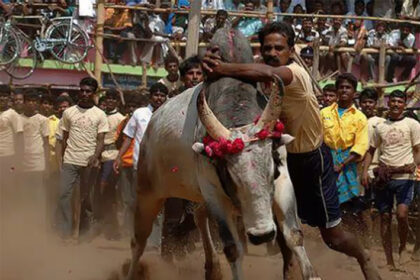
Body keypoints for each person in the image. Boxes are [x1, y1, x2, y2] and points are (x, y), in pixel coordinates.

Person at [202, 21, 381, 279]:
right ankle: (291, 270)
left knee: (332, 236)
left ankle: (364, 258)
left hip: (312, 161)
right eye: (267, 48)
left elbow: (262, 72)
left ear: (292, 50)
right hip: (281, 158)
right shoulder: (258, 70)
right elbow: (251, 69)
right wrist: (211, 61)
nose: (273, 53)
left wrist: (221, 68)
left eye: (279, 48)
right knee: (280, 220)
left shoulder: (293, 73)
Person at [362, 90, 420, 269]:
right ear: (388, 103)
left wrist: (414, 164)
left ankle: (403, 247)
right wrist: (365, 172)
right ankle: (389, 260)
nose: (395, 104)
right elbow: (371, 151)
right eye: (392, 101)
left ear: (404, 104)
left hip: (405, 177)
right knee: (385, 216)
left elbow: (418, 149)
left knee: (402, 214)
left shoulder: (412, 124)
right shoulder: (380, 126)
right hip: (384, 177)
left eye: (399, 101)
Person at [113, 82, 168, 247]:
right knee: (138, 203)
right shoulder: (139, 113)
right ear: (150, 96)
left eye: (162, 95)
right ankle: (137, 237)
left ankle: (155, 243)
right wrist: (118, 157)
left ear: (165, 98)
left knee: (157, 205)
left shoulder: (168, 114)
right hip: (140, 167)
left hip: (161, 168)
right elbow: (129, 137)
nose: (159, 98)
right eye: (156, 95)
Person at [57, 77, 109, 241]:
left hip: (89, 162)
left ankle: (84, 235)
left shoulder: (100, 114)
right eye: (82, 90)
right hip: (70, 160)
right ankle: (65, 233)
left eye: (88, 91)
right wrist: (61, 160)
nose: (84, 94)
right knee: (64, 194)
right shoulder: (69, 112)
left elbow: (101, 139)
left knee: (86, 199)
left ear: (94, 93)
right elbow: (63, 138)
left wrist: (95, 157)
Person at [320, 74, 369, 241]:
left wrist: (342, 164)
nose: (344, 90)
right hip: (326, 161)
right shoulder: (324, 113)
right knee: (329, 204)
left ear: (354, 92)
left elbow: (361, 145)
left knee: (351, 206)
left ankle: (361, 240)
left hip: (350, 164)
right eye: (341, 87)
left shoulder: (360, 117)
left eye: (348, 87)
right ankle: (337, 240)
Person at [95, 88, 125, 240]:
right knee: (98, 193)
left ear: (117, 102)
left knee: (107, 191)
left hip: (112, 156)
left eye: (114, 99)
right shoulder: (99, 115)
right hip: (98, 156)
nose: (110, 101)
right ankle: (104, 225)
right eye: (108, 99)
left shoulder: (120, 118)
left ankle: (113, 228)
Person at [19, 90, 50, 231]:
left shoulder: (43, 120)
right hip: (22, 164)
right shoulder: (18, 119)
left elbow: (46, 143)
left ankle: (39, 226)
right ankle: (24, 224)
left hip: (38, 163)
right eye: (28, 101)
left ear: (37, 103)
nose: (31, 103)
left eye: (34, 101)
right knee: (23, 195)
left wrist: (47, 166)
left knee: (38, 196)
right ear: (24, 102)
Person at [0, 85, 23, 213]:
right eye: (0, 95)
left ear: (9, 98)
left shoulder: (13, 115)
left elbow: (19, 138)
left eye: (5, 96)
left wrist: (18, 162)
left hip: (8, 158)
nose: (2, 98)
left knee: (8, 189)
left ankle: (10, 217)